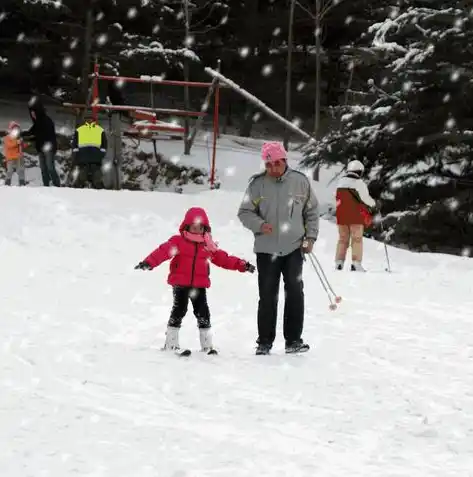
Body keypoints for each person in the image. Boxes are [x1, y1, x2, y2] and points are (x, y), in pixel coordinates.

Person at [134, 207, 255, 354]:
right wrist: (149, 262)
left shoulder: (207, 246)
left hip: (199, 285)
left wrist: (242, 265)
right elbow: (163, 251)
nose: (197, 230)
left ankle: (207, 346)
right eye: (194, 227)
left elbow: (224, 259)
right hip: (180, 284)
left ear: (205, 228)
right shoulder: (178, 242)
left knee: (203, 312)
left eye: (200, 227)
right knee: (180, 309)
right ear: (187, 226)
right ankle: (171, 344)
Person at [237, 141, 319, 355]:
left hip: (294, 248)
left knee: (295, 293)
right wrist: (260, 225)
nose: (272, 168)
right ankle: (264, 341)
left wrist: (310, 238)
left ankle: (293, 340)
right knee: (267, 295)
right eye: (268, 164)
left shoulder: (301, 182)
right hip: (266, 249)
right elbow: (244, 212)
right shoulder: (256, 184)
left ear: (284, 160)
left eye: (276, 163)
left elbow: (311, 212)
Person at [335, 159, 376, 272]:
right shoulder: (359, 183)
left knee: (342, 239)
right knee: (356, 239)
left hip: (341, 216)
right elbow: (366, 199)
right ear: (359, 171)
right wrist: (374, 204)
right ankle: (356, 263)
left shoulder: (340, 182)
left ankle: (339, 262)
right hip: (355, 217)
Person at [24, 96, 61, 187]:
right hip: (41, 148)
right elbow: (31, 132)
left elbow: (40, 134)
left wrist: (30, 138)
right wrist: (21, 135)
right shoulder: (37, 123)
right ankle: (46, 186)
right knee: (43, 169)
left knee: (50, 167)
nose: (32, 115)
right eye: (31, 113)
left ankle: (57, 185)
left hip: (49, 148)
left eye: (34, 113)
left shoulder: (46, 120)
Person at [71, 115, 108, 189]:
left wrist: (101, 154)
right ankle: (76, 192)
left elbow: (104, 143)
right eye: (87, 118)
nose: (89, 120)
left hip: (96, 158)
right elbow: (75, 143)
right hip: (83, 158)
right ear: (85, 119)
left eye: (90, 118)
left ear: (93, 119)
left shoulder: (100, 130)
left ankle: (100, 193)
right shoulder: (79, 129)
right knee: (82, 177)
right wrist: (76, 154)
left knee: (97, 178)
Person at [3, 121, 26, 186]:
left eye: (17, 129)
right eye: (14, 129)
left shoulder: (19, 137)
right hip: (10, 157)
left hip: (18, 156)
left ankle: (22, 183)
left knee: (21, 170)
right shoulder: (7, 137)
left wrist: (24, 144)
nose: (16, 130)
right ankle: (7, 183)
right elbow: (9, 145)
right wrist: (17, 142)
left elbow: (21, 145)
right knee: (10, 170)